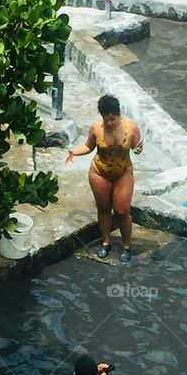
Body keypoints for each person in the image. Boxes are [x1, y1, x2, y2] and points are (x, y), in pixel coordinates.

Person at [66, 95, 142, 262]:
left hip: (123, 172)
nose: (109, 123)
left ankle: (126, 246)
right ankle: (106, 242)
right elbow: (88, 146)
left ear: (118, 114)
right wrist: (74, 152)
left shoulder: (131, 128)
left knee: (122, 211)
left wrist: (138, 149)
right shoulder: (96, 128)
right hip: (99, 172)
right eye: (106, 119)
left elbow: (138, 146)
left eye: (112, 119)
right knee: (104, 208)